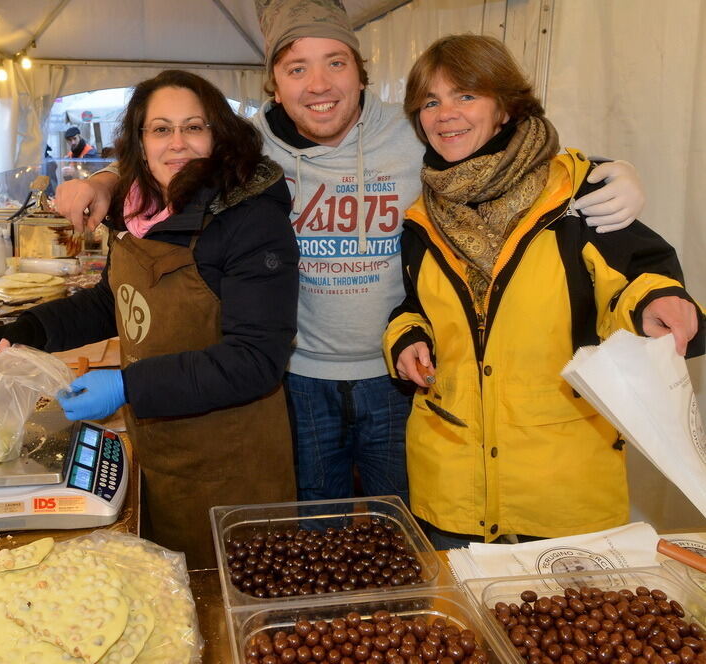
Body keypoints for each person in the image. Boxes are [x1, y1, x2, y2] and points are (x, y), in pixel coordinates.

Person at [52, 0, 646, 509]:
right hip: (299, 378)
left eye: (335, 63)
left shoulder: (415, 132)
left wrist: (601, 171)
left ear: (361, 73)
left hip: (407, 375)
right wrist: (104, 181)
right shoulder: (252, 148)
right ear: (274, 85)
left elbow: (503, 150)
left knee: (409, 529)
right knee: (319, 533)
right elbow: (179, 157)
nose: (318, 85)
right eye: (296, 68)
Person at [383, 34, 704, 550]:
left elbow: (635, 281)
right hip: (450, 488)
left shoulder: (576, 198)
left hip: (560, 485)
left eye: (466, 95)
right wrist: (407, 339)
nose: (446, 114)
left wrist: (654, 304)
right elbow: (415, 307)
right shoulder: (422, 218)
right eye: (430, 101)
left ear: (505, 108)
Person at [0, 70, 299, 567]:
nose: (178, 143)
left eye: (194, 127)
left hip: (232, 458)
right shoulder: (144, 209)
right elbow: (117, 300)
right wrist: (32, 329)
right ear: (141, 142)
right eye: (161, 129)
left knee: (229, 592)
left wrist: (127, 385)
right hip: (162, 445)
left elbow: (256, 360)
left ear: (219, 135)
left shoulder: (251, 220)